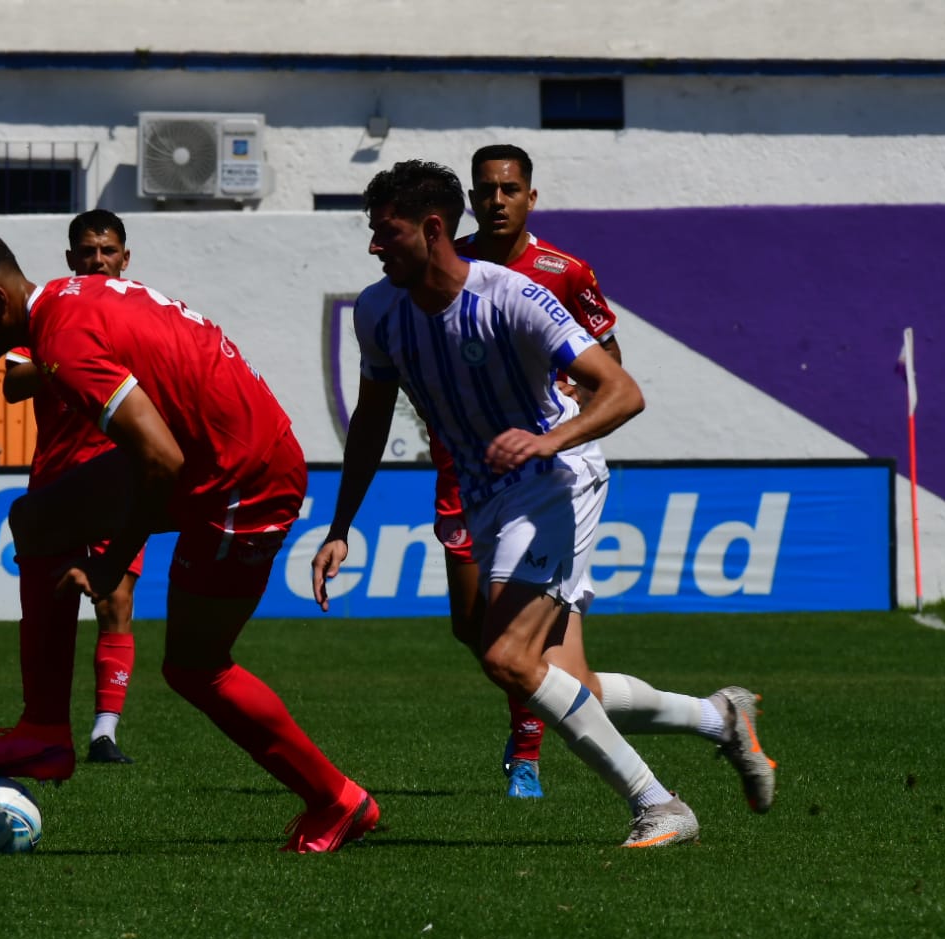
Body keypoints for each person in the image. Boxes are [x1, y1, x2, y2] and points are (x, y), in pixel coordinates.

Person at [312, 161, 776, 848]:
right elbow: (373, 421)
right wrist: (341, 526)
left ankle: (659, 804)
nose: (375, 247)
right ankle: (716, 717)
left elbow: (622, 391)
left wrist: (546, 439)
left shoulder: (513, 297)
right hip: (483, 494)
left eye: (387, 233)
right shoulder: (381, 312)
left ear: (432, 228)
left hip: (558, 478)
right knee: (560, 678)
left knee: (504, 656)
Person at [0, 225, 377, 853]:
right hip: (216, 454)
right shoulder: (70, 299)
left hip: (244, 481)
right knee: (36, 521)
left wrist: (108, 563)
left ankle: (338, 799)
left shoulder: (62, 338)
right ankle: (45, 727)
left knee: (195, 667)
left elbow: (159, 458)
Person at [449, 144, 624, 798]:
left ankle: (527, 747)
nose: (496, 199)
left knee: (514, 641)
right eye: (485, 190)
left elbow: (607, 356)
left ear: (530, 197)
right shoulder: (451, 267)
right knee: (473, 626)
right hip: (464, 465)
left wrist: (572, 403)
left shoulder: (563, 271)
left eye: (509, 188)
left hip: (542, 470)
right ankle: (712, 717)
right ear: (471, 197)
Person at [0, 209, 141, 764]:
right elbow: (12, 382)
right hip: (57, 484)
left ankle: (104, 733)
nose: (98, 260)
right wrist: (73, 360)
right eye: (87, 251)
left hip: (119, 480)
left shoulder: (139, 317)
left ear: (124, 259)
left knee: (117, 599)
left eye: (108, 251)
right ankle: (42, 723)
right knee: (50, 608)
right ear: (70, 259)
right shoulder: (48, 313)